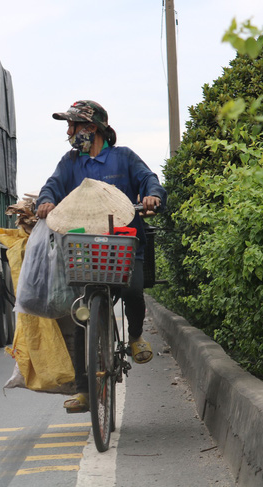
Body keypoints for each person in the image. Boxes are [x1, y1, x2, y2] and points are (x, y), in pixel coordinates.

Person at [36, 100, 167, 412]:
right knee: (81, 315)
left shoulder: (123, 158)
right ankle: (84, 390)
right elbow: (52, 187)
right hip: (86, 249)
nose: (69, 133)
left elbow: (149, 179)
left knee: (134, 290)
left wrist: (152, 197)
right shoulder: (70, 163)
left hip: (124, 245)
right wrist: (44, 201)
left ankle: (135, 337)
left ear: (92, 129)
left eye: (73, 127)